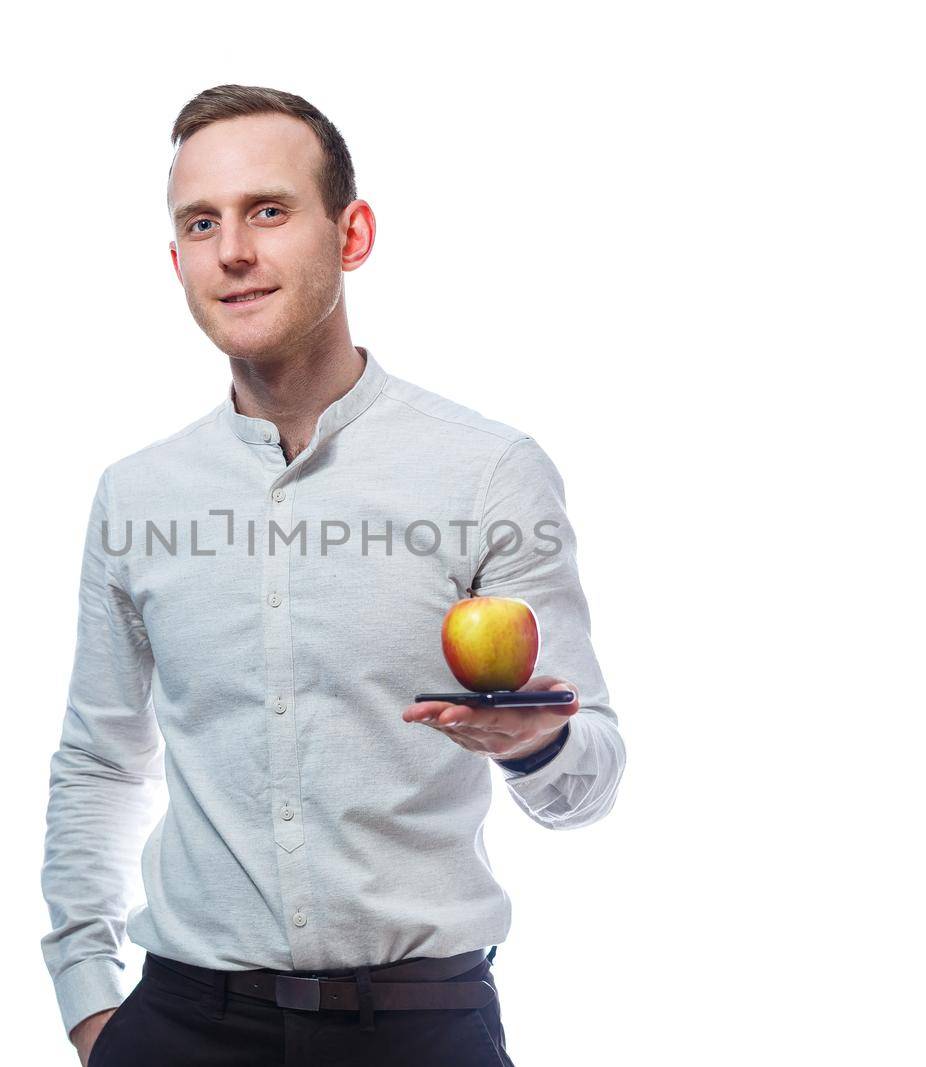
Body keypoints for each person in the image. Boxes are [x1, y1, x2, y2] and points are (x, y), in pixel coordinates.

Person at [39, 83, 627, 1066]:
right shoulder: (136, 494)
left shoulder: (484, 472)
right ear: (176, 257)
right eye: (201, 221)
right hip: (179, 1024)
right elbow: (99, 758)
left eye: (267, 210)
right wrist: (90, 1001)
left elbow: (591, 775)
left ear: (350, 233)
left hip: (417, 1025)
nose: (232, 249)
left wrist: (534, 742)